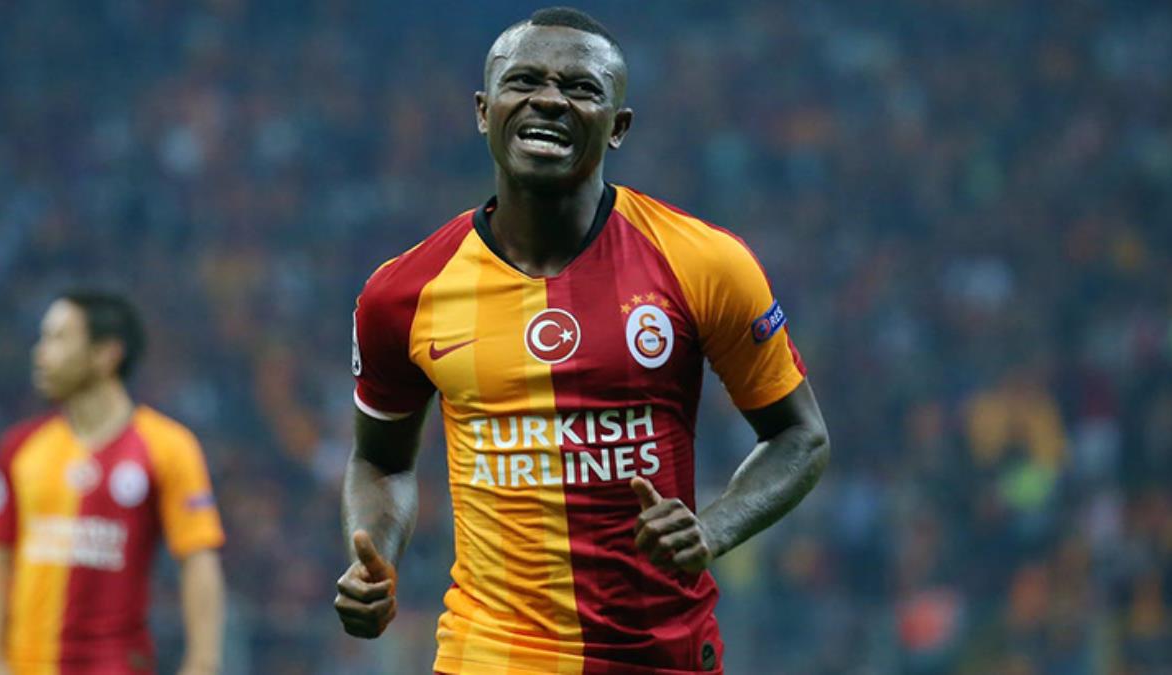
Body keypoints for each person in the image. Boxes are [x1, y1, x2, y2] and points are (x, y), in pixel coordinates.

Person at [335, 6, 830, 673]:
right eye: (524, 81)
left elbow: (800, 436)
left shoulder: (704, 261)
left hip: (664, 655)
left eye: (580, 87)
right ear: (483, 111)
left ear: (618, 126)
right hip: (490, 655)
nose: (548, 99)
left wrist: (712, 528)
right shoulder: (404, 292)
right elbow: (381, 461)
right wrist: (375, 559)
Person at [0, 291, 226, 675]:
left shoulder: (168, 447)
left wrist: (202, 663)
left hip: (116, 665)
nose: (40, 353)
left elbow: (198, 558)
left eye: (58, 338)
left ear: (106, 354)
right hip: (25, 666)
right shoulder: (19, 448)